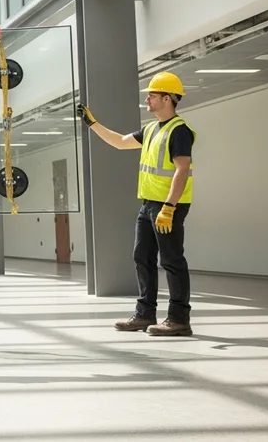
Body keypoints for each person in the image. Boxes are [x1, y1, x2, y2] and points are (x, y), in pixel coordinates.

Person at [76, 72, 195, 337]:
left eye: (152, 95)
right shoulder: (151, 129)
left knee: (172, 260)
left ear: (167, 98)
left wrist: (169, 207)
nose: (147, 99)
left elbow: (182, 169)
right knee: (142, 257)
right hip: (148, 205)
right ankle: (145, 314)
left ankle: (179, 319)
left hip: (168, 206)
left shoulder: (180, 131)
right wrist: (93, 124)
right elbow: (120, 142)